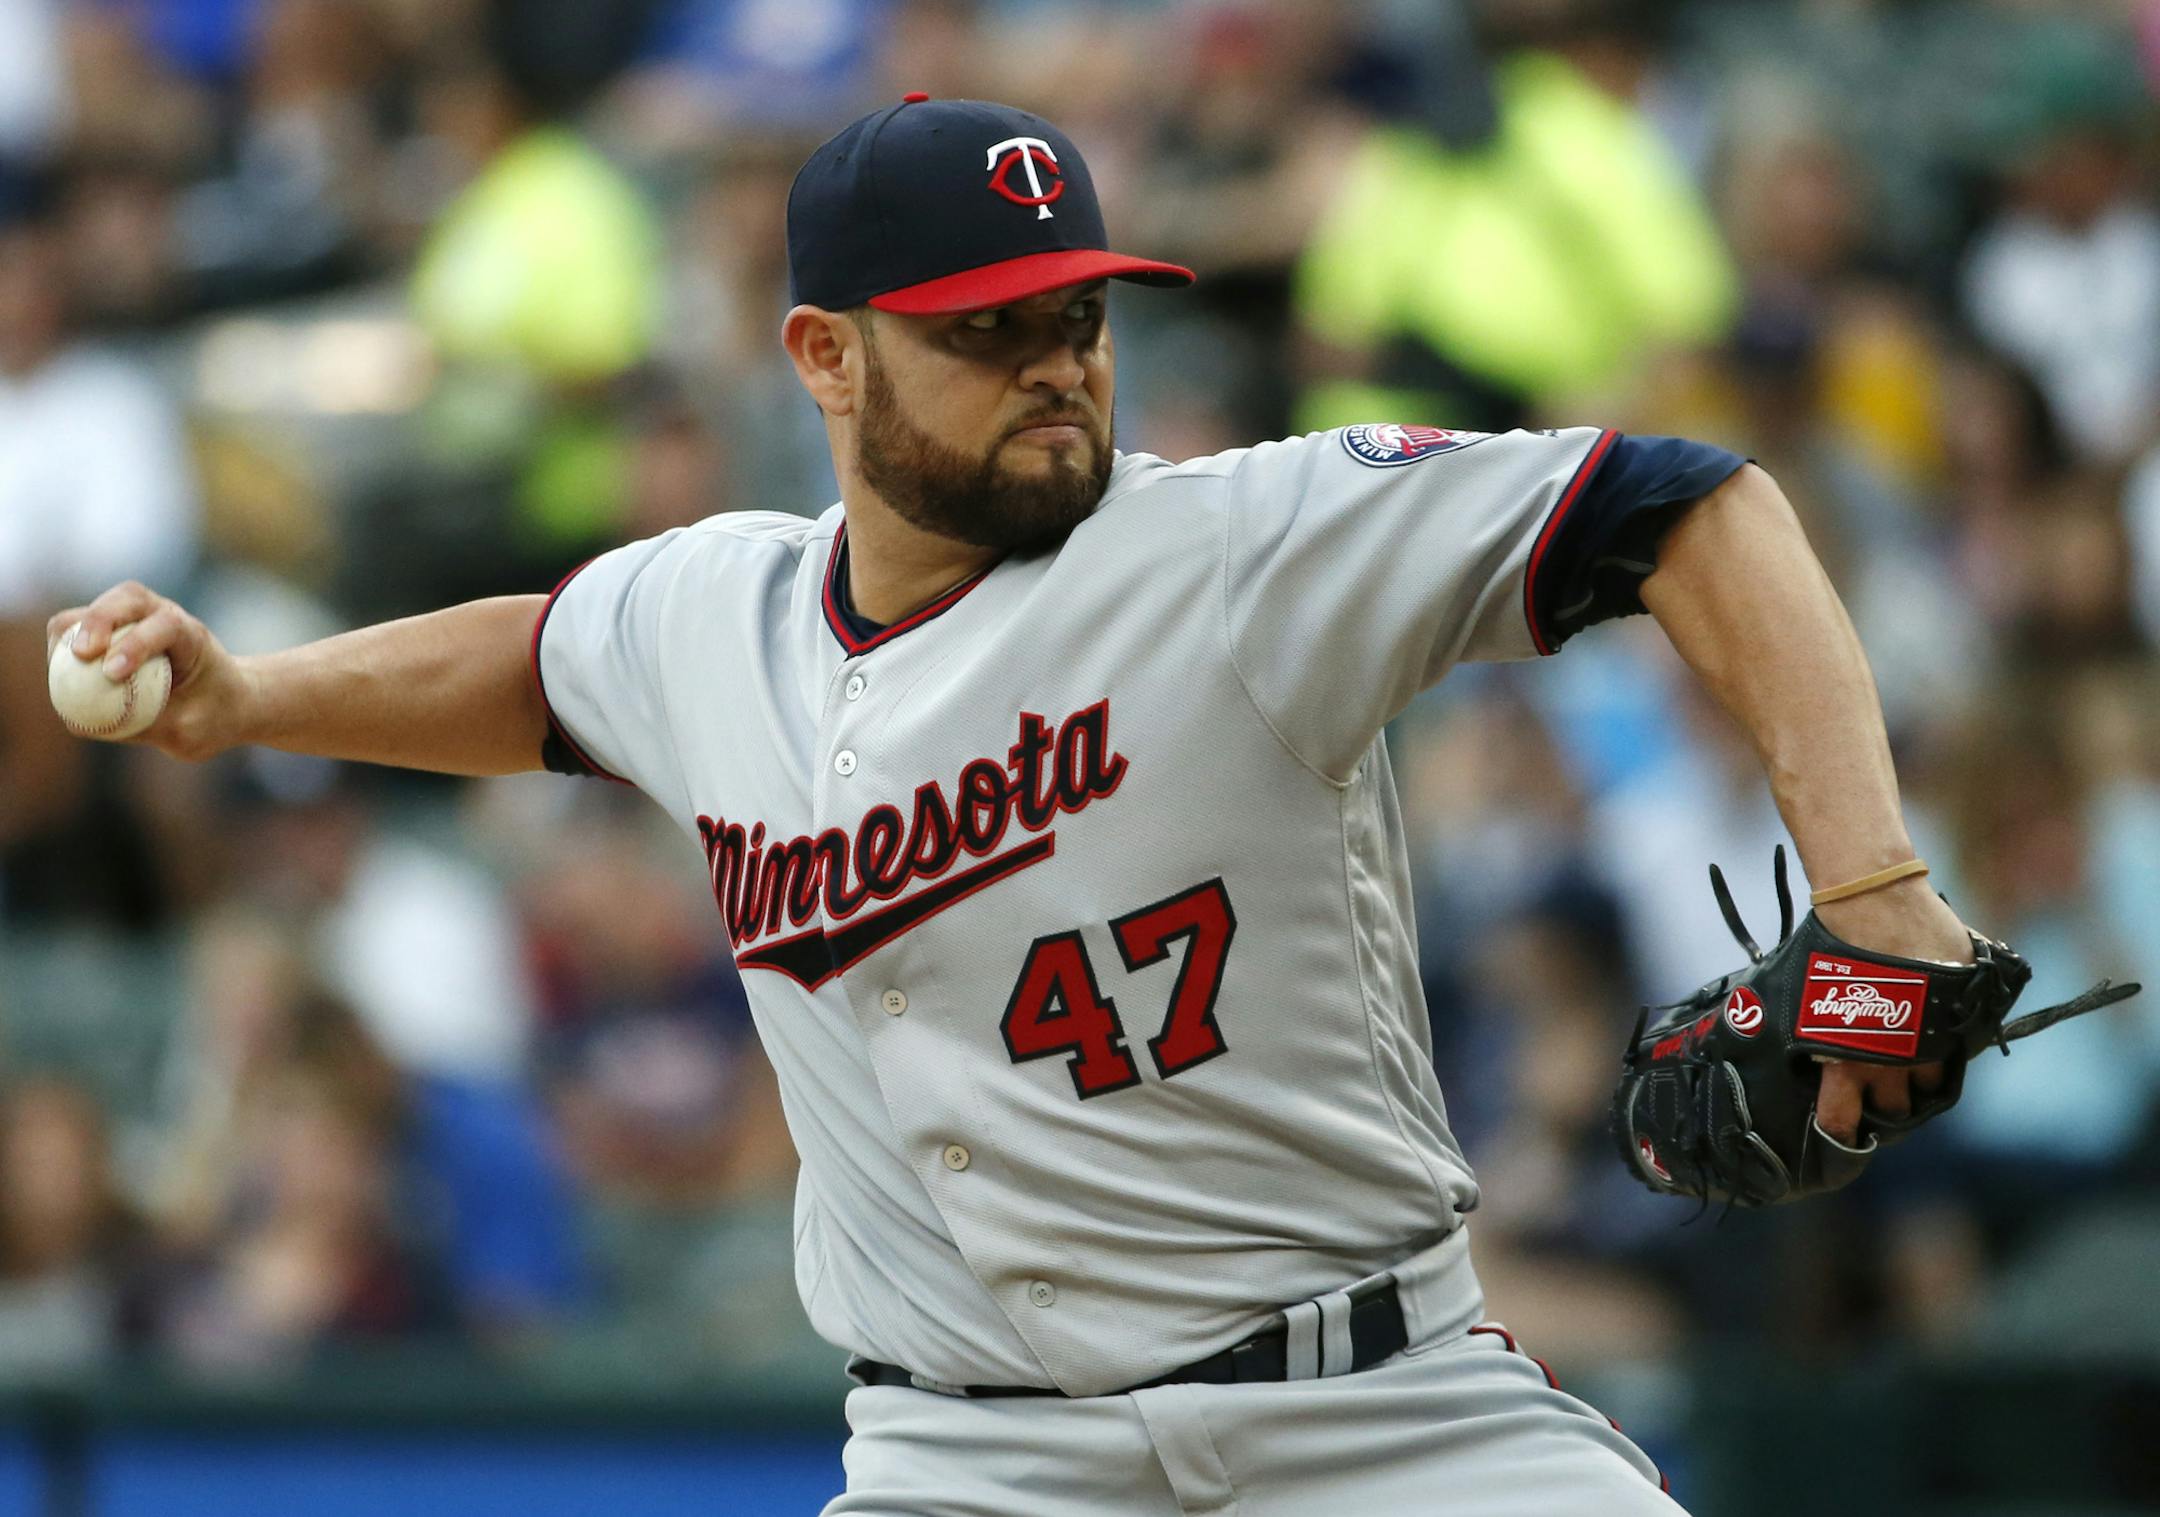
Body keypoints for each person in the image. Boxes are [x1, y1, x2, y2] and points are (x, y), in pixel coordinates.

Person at [53, 96, 1974, 1515]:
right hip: (966, 1457)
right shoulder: (710, 611)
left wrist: (1876, 885)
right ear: (823, 354)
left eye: (1075, 315)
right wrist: (254, 696)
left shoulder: (1240, 546)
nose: (1056, 365)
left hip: (1381, 1422)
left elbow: (1693, 504)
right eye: (985, 328)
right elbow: (543, 659)